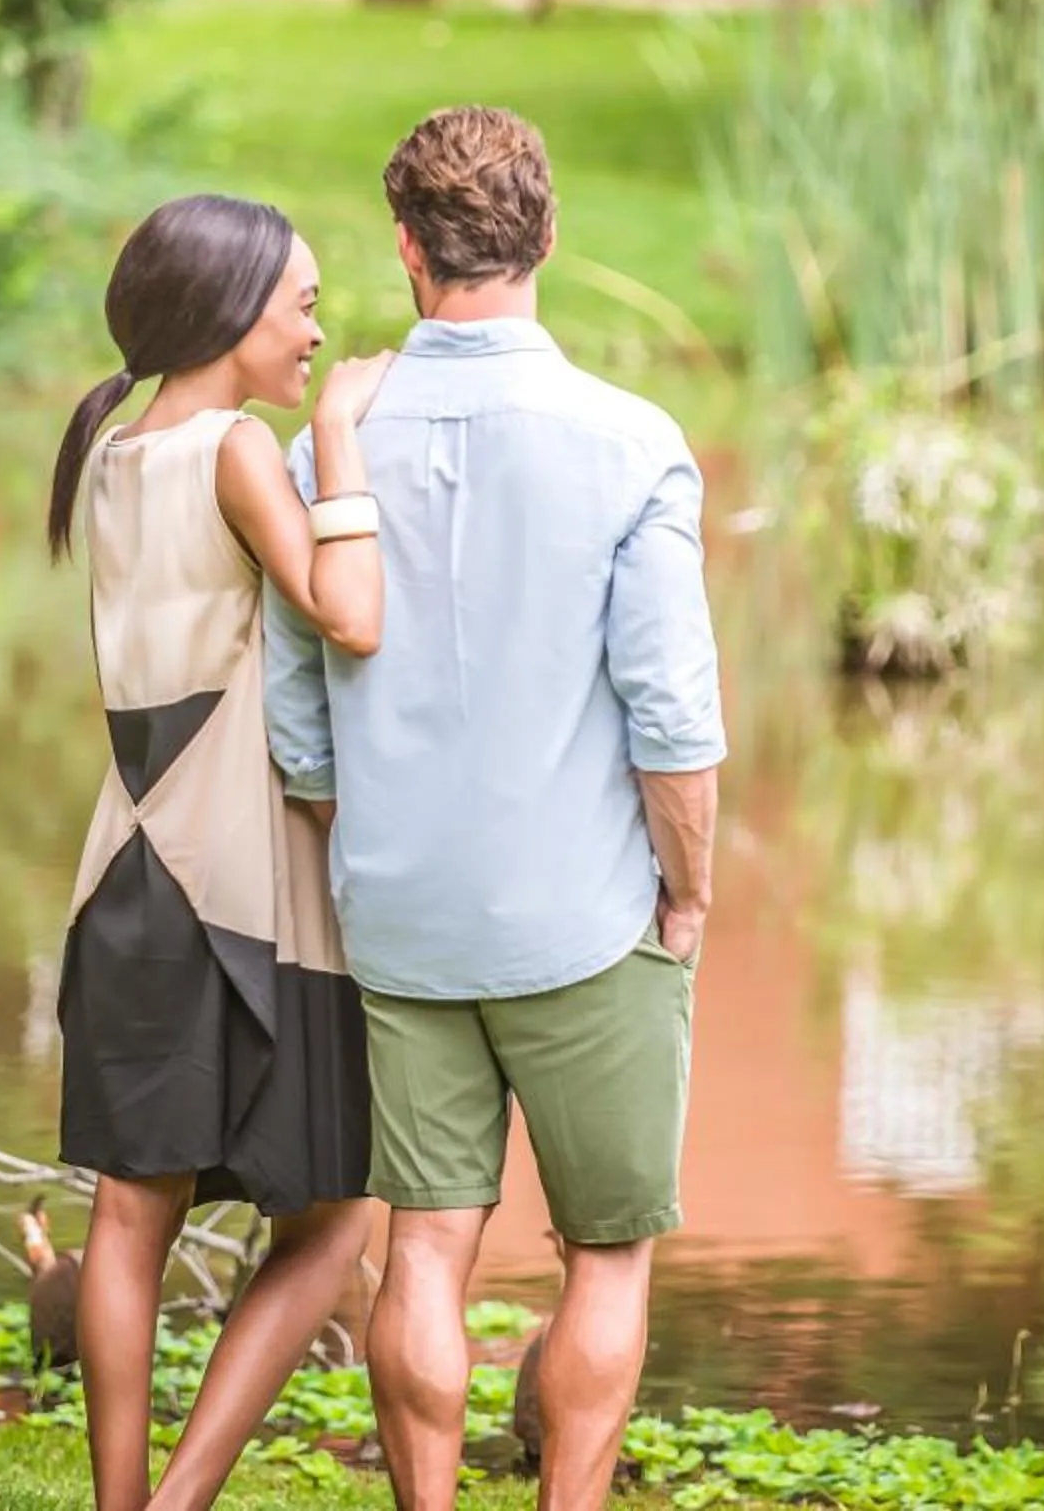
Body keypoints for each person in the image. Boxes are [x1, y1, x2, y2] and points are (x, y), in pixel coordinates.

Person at [266, 106, 726, 1511]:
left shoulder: (319, 451)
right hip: (587, 919)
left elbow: (299, 716)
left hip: (402, 920)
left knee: (425, 1243)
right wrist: (689, 887)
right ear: (550, 235)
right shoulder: (631, 444)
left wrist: (373, 853)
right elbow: (674, 720)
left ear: (407, 252)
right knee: (608, 1249)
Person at [44, 194, 395, 1511]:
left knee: (132, 1212)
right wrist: (340, 434)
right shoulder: (238, 448)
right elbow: (350, 612)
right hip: (234, 887)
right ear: (231, 309)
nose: (315, 327)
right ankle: (183, 1497)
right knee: (335, 1213)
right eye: (301, 302)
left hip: (122, 878)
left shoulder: (119, 451)